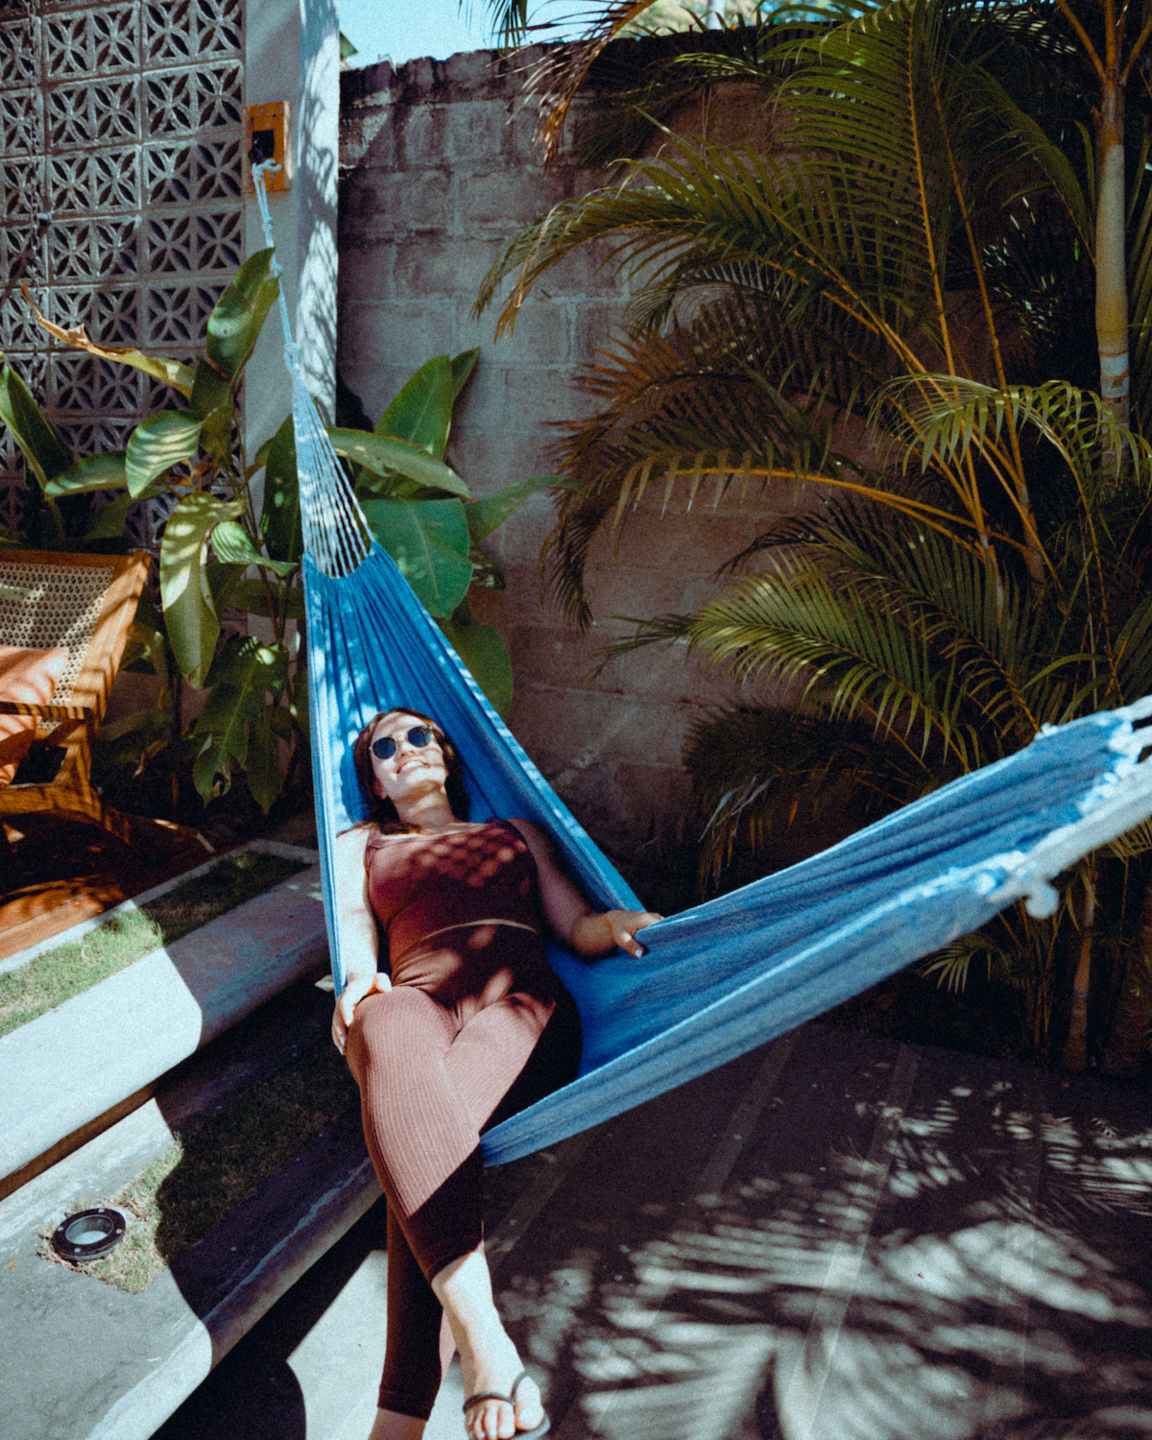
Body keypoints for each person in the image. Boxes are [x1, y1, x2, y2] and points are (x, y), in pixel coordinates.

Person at [332, 707, 662, 1440]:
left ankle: (404, 1417)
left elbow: (573, 926)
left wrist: (613, 924)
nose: (405, 749)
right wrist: (357, 977)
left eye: (420, 736)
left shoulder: (514, 834)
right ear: (377, 784)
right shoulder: (363, 844)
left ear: (446, 755)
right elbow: (354, 925)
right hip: (416, 996)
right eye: (385, 747)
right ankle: (485, 1341)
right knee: (381, 1023)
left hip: (521, 1003)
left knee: (421, 1145)